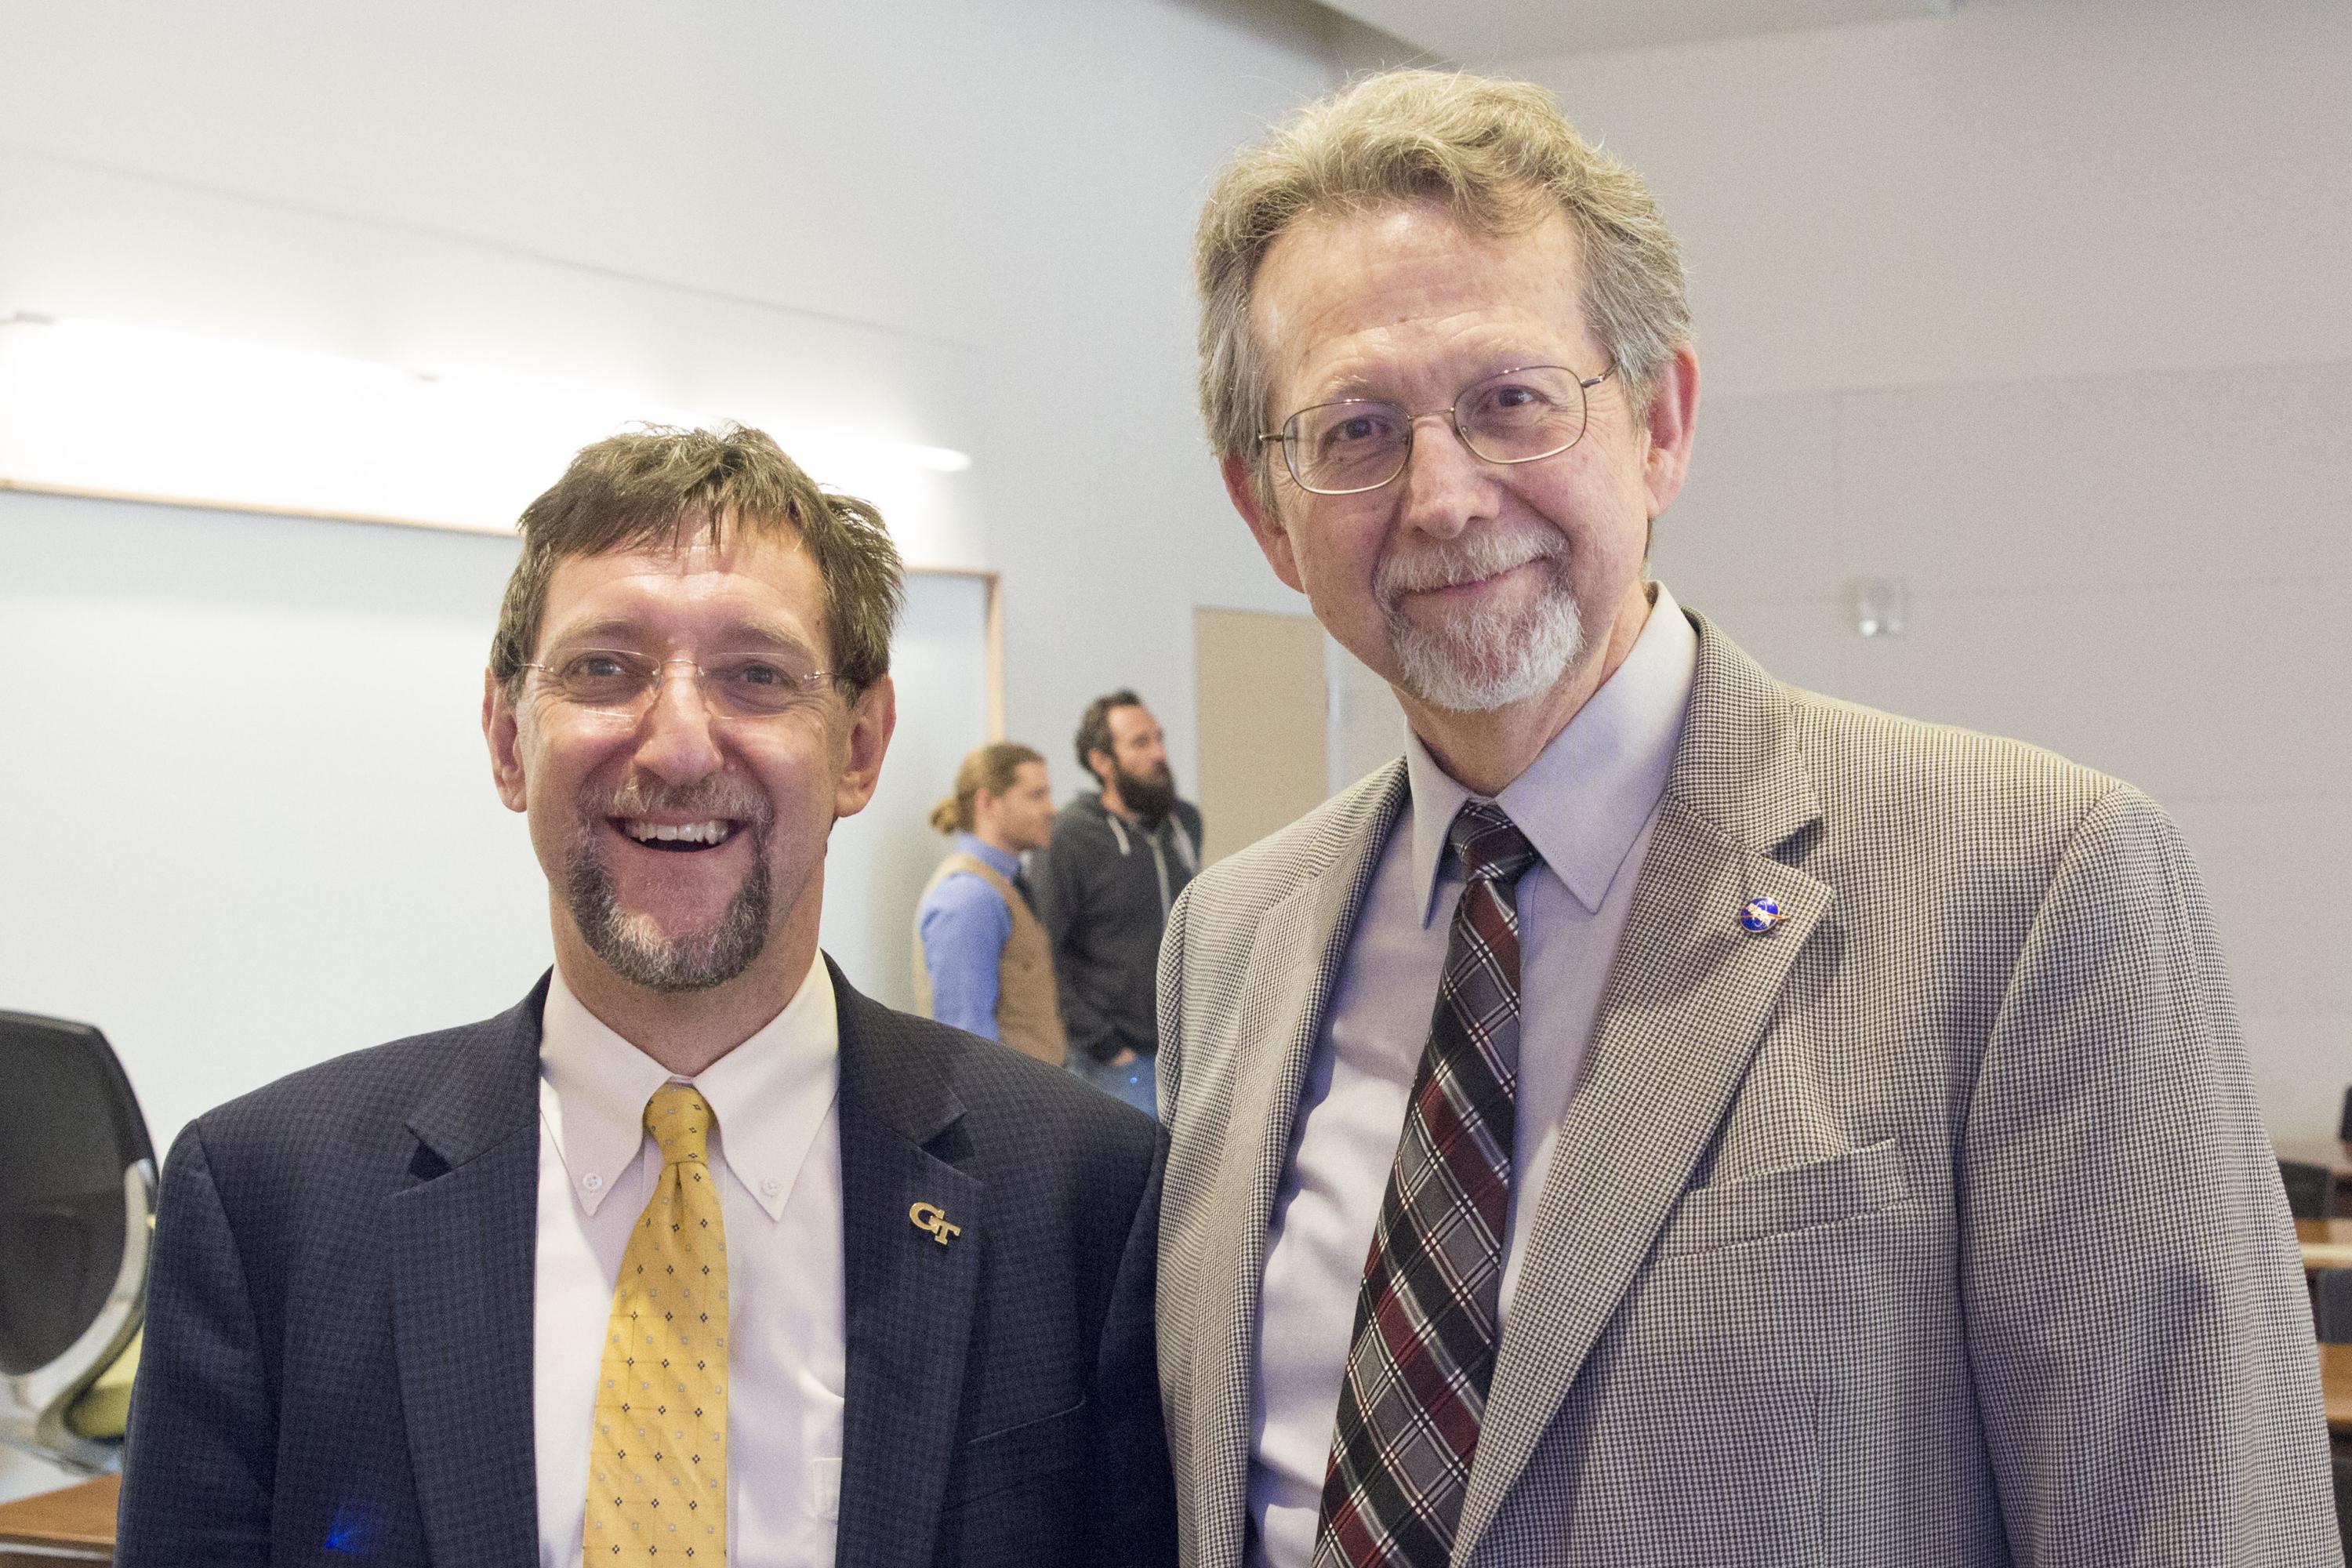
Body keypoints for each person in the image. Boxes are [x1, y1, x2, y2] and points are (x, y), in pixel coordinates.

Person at [1153, 70, 2339, 1568]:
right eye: (1358, 430)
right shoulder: (1228, 946)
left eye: (1511, 401)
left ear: (1658, 423)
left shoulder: (2038, 886)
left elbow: (2202, 1528)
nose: (1445, 496)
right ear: (1267, 511)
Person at [115, 426, 1175, 1568]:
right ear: (506, 739)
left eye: (757, 676)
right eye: (603, 669)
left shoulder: (1087, 1200)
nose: (676, 745)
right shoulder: (267, 1205)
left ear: (860, 745)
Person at [1032, 690, 1201, 1116]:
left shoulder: (1184, 824)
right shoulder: (1069, 838)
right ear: (1102, 762)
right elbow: (1043, 952)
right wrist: (1104, 1043)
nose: (1160, 754)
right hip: (1115, 1063)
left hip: (1188, 1055)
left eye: (1158, 738)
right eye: (1140, 744)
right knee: (1127, 1182)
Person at [913, 741, 1066, 1065]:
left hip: (1035, 1099)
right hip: (1008, 1108)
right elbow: (966, 1041)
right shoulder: (969, 897)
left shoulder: (1006, 882)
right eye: (1036, 795)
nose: (1051, 809)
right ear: (988, 803)